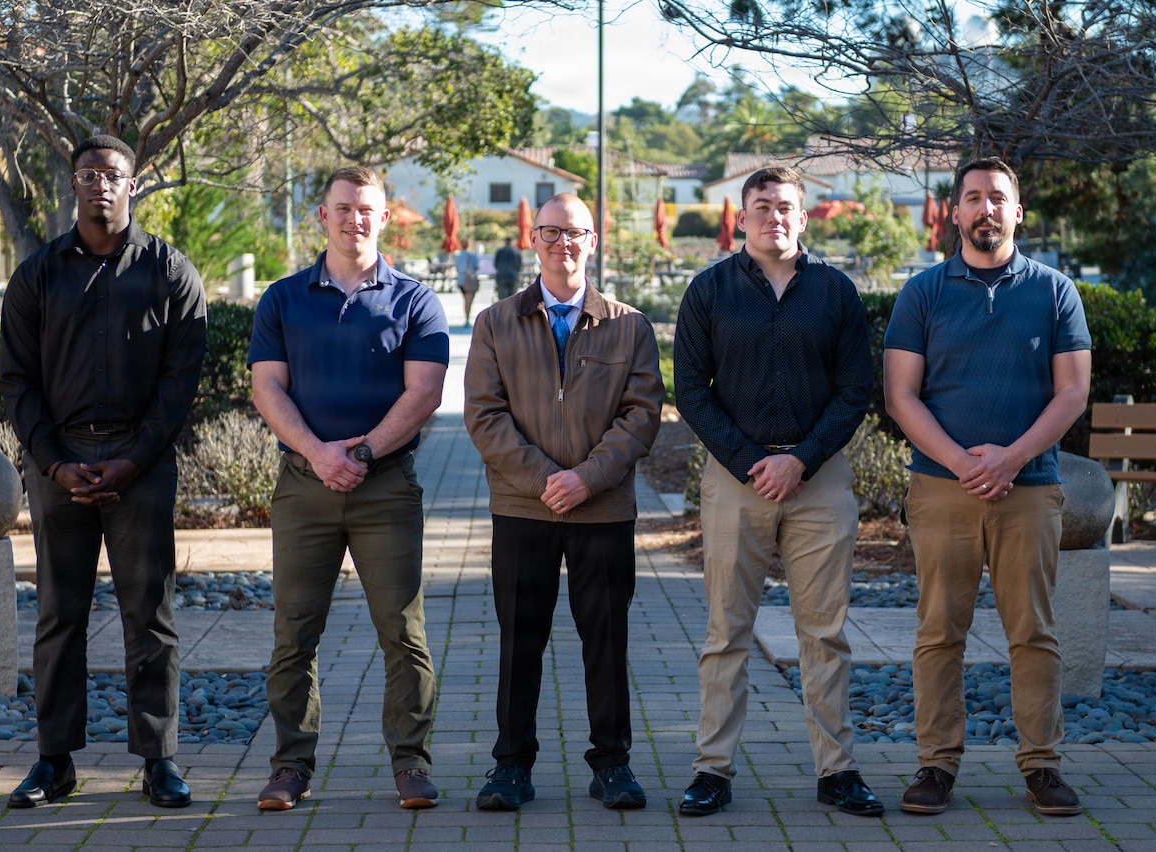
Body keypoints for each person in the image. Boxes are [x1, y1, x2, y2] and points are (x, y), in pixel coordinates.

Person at [0, 134, 207, 809]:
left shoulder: (170, 270)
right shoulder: (37, 274)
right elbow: (17, 381)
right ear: (73, 185)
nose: (101, 184)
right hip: (59, 464)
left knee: (151, 615)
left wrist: (135, 457)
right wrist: (54, 464)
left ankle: (159, 761)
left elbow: (181, 381)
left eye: (113, 174)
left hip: (139, 465)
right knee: (60, 614)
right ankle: (54, 762)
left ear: (132, 184)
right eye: (89, 174)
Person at [883, 157, 1091, 817]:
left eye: (997, 197)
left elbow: (1073, 392)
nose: (986, 208)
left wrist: (1010, 460)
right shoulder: (922, 292)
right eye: (973, 197)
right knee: (939, 631)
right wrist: (964, 463)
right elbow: (900, 395)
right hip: (941, 490)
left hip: (1028, 489)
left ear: (1018, 210)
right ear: (956, 210)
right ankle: (935, 767)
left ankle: (1043, 767)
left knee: (1033, 632)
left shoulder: (1056, 291)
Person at [673, 166, 882, 817]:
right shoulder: (708, 291)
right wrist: (749, 462)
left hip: (819, 481)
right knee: (726, 631)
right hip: (736, 483)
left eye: (785, 206)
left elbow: (856, 390)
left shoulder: (836, 292)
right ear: (742, 217)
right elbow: (689, 392)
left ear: (805, 215)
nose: (774, 217)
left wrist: (800, 460)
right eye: (761, 206)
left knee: (825, 633)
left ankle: (837, 771)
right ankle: (713, 770)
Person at [248, 165, 449, 811]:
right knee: (294, 634)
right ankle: (289, 767)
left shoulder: (415, 301)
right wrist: (317, 452)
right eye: (342, 208)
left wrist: (359, 453)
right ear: (322, 215)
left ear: (383, 217)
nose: (353, 219)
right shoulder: (281, 298)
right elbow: (267, 387)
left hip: (385, 488)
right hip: (303, 487)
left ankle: (411, 765)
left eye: (366, 209)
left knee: (402, 632)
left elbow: (425, 393)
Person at [463, 193, 664, 812]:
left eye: (574, 233)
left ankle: (613, 765)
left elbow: (641, 416)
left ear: (593, 240)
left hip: (601, 510)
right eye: (550, 232)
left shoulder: (629, 325)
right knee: (520, 639)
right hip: (523, 509)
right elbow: (483, 415)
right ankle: (511, 767)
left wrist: (587, 479)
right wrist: (548, 479)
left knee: (605, 640)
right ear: (533, 239)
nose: (562, 243)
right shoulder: (495, 322)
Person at [454, 237, 481, 326]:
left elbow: (457, 268)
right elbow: (477, 266)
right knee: (469, 301)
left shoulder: (458, 256)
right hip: (469, 280)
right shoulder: (472, 255)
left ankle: (466, 317)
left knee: (465, 300)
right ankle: (467, 319)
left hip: (461, 280)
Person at [492, 236, 523, 301]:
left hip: (501, 276)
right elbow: (520, 266)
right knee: (512, 299)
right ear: (512, 242)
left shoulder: (500, 251)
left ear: (505, 242)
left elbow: (495, 264)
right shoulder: (517, 252)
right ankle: (511, 311)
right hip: (513, 276)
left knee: (502, 299)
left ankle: (503, 311)